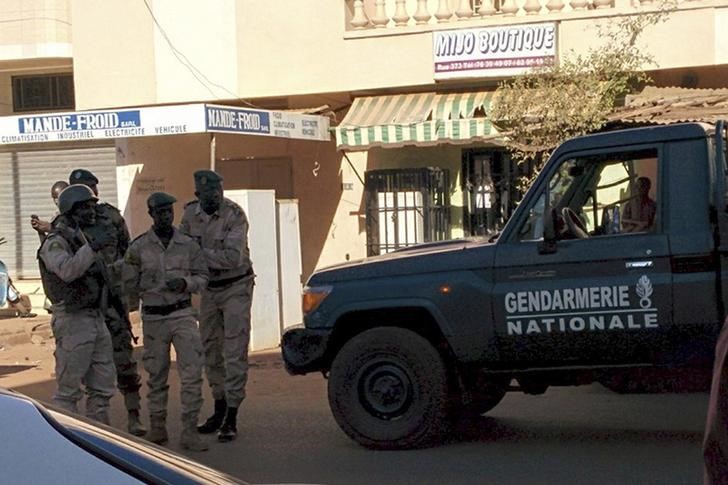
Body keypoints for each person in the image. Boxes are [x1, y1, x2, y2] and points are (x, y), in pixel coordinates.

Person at [123, 192, 209, 451]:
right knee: (156, 375)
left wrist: (186, 283)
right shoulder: (138, 247)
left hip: (182, 314)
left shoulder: (187, 244)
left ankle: (190, 430)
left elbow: (203, 277)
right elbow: (127, 282)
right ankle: (158, 427)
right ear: (151, 214)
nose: (165, 216)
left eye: (169, 212)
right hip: (154, 317)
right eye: (160, 212)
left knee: (192, 373)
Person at [68, 168, 146, 437]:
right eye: (82, 188)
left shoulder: (111, 216)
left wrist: (125, 288)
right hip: (84, 304)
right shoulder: (65, 225)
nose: (90, 194)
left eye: (92, 187)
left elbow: (128, 252)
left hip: (112, 299)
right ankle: (83, 426)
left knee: (123, 357)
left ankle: (134, 415)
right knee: (79, 366)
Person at [180, 170, 254, 443]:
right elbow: (181, 249)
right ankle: (219, 405)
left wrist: (197, 256)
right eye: (210, 194)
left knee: (234, 350)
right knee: (210, 350)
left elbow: (233, 258)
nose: (216, 197)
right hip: (209, 289)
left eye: (219, 192)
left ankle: (232, 414)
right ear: (198, 195)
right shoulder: (189, 215)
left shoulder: (234, 215)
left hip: (236, 286)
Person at [37, 184, 116, 423]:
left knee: (102, 389)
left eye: (93, 206)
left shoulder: (82, 236)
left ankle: (101, 441)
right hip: (73, 320)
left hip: (94, 316)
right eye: (86, 208)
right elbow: (67, 271)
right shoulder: (56, 241)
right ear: (71, 210)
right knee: (68, 393)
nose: (92, 212)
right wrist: (92, 248)